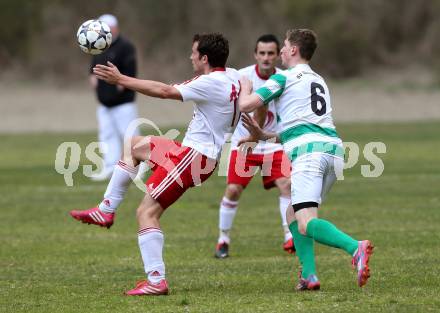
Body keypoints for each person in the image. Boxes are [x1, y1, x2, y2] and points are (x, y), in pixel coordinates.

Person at [70, 33, 241, 296]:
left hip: (194, 158)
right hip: (194, 154)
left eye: (193, 53)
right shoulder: (233, 75)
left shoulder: (210, 82)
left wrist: (121, 80)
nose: (190, 56)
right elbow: (248, 87)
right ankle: (106, 209)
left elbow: (164, 91)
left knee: (146, 213)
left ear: (204, 58)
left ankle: (156, 280)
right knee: (134, 144)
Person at [237, 29, 373, 290]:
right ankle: (309, 275)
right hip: (332, 152)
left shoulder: (283, 78)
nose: (281, 52)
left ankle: (355, 247)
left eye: (285, 46)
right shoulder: (318, 80)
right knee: (294, 212)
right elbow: (301, 128)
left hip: (309, 156)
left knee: (305, 221)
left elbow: (246, 105)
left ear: (294, 50)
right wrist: (263, 135)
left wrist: (245, 87)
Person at [215, 34, 294, 259]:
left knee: (286, 185)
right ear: (255, 55)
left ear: (278, 55)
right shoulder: (242, 77)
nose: (266, 58)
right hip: (245, 144)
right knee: (233, 190)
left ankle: (290, 236)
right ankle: (223, 239)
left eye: (270, 53)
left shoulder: (286, 78)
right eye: (262, 53)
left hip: (272, 143)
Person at [89, 14, 140, 181]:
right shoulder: (99, 46)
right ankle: (109, 166)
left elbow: (130, 72)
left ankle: (139, 168)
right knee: (107, 135)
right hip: (104, 103)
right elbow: (93, 68)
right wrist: (92, 78)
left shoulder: (126, 47)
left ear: (115, 28)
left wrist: (120, 86)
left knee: (129, 135)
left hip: (123, 103)